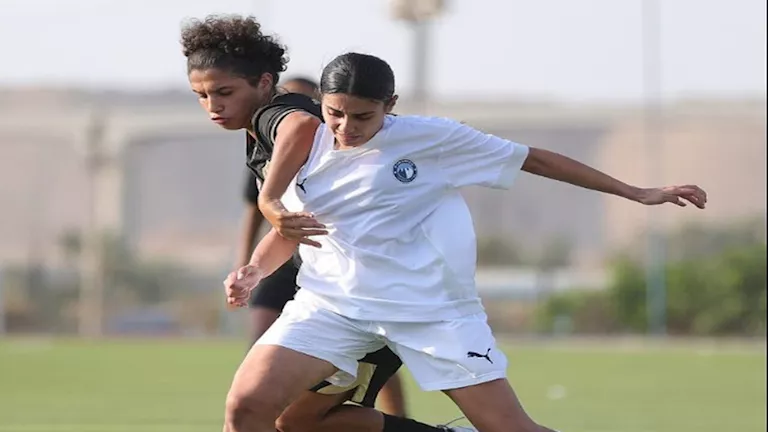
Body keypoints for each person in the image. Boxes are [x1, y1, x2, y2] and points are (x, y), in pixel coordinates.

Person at [223, 52, 708, 432]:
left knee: (509, 428)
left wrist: (634, 191)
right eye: (335, 114)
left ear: (390, 105)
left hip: (429, 312)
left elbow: (535, 159)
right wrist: (255, 270)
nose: (346, 128)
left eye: (363, 117)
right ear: (321, 103)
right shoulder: (304, 144)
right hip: (331, 308)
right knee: (255, 411)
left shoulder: (432, 139)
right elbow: (292, 227)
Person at [182, 15, 464, 432]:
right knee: (289, 419)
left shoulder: (275, 114)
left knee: (273, 415)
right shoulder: (260, 130)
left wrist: (268, 199)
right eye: (201, 95)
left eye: (224, 92)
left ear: (264, 83)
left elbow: (300, 126)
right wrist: (252, 265)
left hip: (376, 293)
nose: (212, 105)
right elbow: (286, 216)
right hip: (328, 280)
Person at [235, 75, 409, 419]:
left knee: (363, 359)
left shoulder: (341, 147)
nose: (289, 117)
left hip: (340, 265)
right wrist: (246, 263)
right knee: (261, 348)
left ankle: (395, 414)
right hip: (286, 257)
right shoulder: (267, 148)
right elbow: (257, 208)